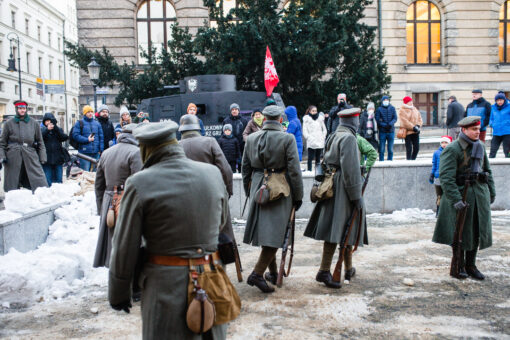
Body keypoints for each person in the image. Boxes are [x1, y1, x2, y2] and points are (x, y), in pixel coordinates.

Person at [108, 121, 233, 339]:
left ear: (146, 149)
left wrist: (119, 294)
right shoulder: (212, 173)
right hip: (212, 280)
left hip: (165, 287)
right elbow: (221, 222)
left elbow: (124, 245)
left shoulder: (139, 183)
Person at [242, 105, 303, 293]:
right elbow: (294, 170)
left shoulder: (251, 138)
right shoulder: (287, 138)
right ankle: (257, 274)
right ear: (279, 119)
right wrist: (298, 196)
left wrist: (249, 192)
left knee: (270, 232)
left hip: (258, 186)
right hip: (280, 188)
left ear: (264, 119)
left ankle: (273, 273)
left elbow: (245, 168)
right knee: (276, 234)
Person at [304, 108, 367, 289]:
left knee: (342, 228)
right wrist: (356, 196)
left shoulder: (333, 135)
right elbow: (351, 170)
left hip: (331, 183)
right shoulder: (348, 138)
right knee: (341, 228)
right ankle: (324, 271)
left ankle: (347, 268)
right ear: (353, 122)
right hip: (342, 188)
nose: (358, 123)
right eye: (357, 120)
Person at [433, 116, 496, 281]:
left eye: (478, 129)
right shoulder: (453, 149)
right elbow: (446, 177)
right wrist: (456, 199)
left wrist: (491, 191)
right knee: (460, 233)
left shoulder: (480, 146)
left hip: (478, 196)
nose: (477, 132)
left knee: (476, 231)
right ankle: (458, 265)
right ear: (464, 130)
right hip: (461, 195)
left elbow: (487, 171)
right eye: (474, 129)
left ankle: (471, 265)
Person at [94, 123, 142, 269]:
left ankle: (114, 269)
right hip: (127, 198)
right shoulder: (136, 152)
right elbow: (140, 182)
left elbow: (98, 185)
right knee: (129, 239)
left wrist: (100, 207)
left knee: (111, 238)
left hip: (108, 199)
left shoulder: (107, 153)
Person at [179, 114, 233, 197]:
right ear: (198, 128)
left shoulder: (176, 147)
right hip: (210, 193)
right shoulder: (210, 142)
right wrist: (229, 190)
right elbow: (225, 169)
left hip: (184, 196)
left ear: (181, 130)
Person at [0, 100, 48, 192]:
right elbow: (2, 143)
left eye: (24, 108)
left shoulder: (33, 123)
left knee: (39, 181)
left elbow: (40, 141)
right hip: (13, 156)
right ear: (16, 109)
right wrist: (2, 156)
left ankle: (39, 198)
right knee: (13, 183)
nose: (22, 110)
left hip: (30, 154)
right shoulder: (9, 123)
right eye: (20, 108)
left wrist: (43, 157)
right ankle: (13, 201)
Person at [72, 105, 104, 171]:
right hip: (84, 153)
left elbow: (101, 138)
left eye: (91, 112)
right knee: (85, 173)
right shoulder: (79, 123)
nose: (90, 113)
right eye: (88, 112)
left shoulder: (97, 124)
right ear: (85, 113)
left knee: (95, 174)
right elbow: (75, 136)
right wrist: (87, 140)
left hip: (96, 153)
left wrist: (101, 150)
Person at [41, 113, 68, 186]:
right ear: (44, 122)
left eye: (50, 121)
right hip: (46, 159)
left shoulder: (58, 130)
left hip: (58, 158)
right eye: (46, 121)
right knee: (47, 180)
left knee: (59, 179)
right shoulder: (42, 130)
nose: (49, 123)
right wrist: (47, 130)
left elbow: (64, 137)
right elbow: (39, 139)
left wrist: (56, 129)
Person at [429, 135, 452, 216]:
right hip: (438, 176)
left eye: (446, 142)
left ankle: (447, 211)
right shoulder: (436, 153)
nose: (444, 144)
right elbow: (434, 164)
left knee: (448, 195)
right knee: (439, 195)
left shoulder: (451, 152)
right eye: (442, 142)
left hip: (448, 177)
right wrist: (432, 174)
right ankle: (438, 212)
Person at [223, 103, 248, 171]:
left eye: (236, 109)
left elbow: (247, 132)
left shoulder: (244, 121)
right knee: (231, 165)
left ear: (238, 110)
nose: (234, 111)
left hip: (241, 145)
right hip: (231, 146)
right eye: (233, 109)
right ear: (231, 111)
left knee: (242, 163)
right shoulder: (226, 121)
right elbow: (223, 134)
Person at [302, 105, 327, 171]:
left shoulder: (320, 118)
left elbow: (324, 129)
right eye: (313, 111)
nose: (315, 112)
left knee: (318, 158)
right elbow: (304, 130)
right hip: (311, 141)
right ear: (310, 111)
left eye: (315, 111)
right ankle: (309, 171)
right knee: (310, 158)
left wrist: (323, 136)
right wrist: (308, 137)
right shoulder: (306, 119)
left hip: (319, 140)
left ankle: (318, 172)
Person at [375, 95, 397, 161]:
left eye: (387, 100)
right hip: (382, 132)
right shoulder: (379, 109)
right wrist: (384, 125)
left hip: (391, 131)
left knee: (390, 149)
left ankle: (390, 161)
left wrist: (390, 124)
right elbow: (377, 120)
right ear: (382, 101)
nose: (386, 101)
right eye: (384, 100)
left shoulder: (392, 108)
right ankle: (381, 161)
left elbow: (395, 118)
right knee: (381, 149)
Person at [489, 92, 510, 158]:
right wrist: (492, 124)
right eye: (498, 100)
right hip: (496, 132)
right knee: (493, 150)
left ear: (504, 100)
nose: (499, 102)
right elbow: (491, 118)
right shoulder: (493, 108)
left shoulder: (508, 107)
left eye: (501, 100)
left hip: (507, 132)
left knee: (507, 150)